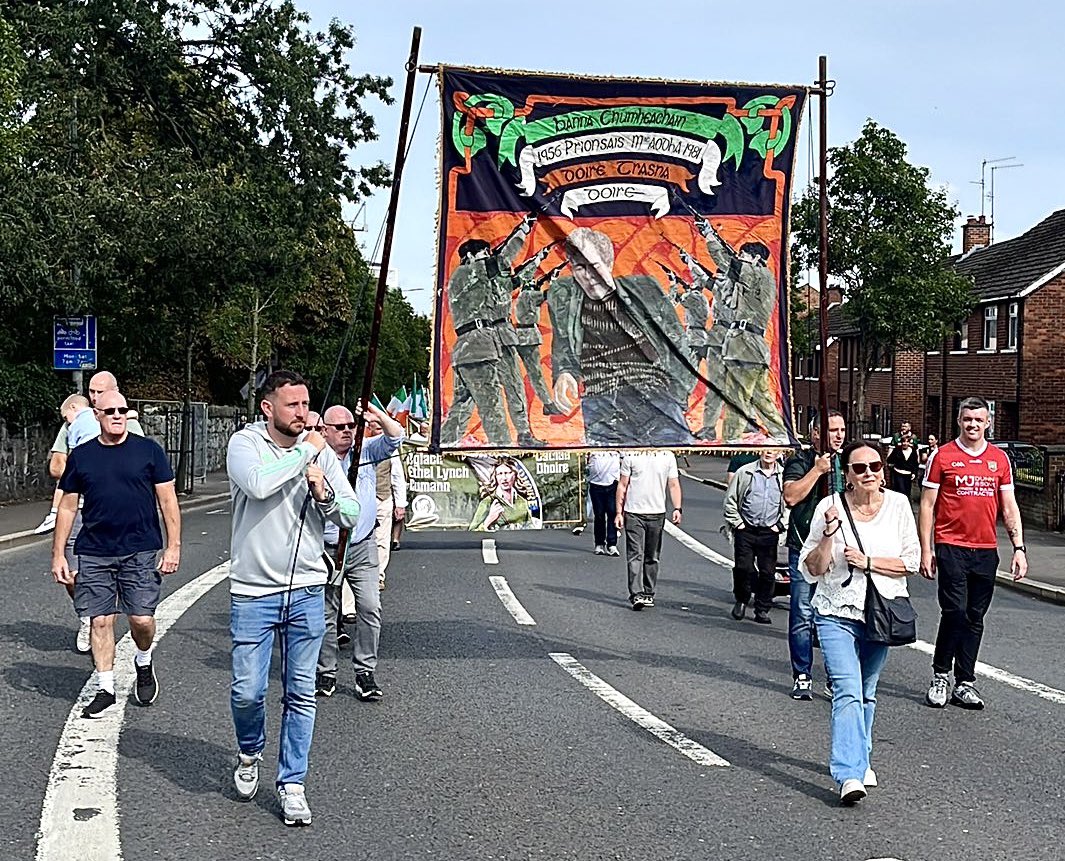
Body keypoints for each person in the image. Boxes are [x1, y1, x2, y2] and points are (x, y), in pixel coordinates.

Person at [226, 370, 359, 826]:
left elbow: (352, 515)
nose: (303, 414)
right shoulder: (245, 444)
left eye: (306, 405)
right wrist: (305, 454)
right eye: (293, 406)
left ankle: (292, 783)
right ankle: (249, 752)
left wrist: (324, 494)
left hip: (305, 591)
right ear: (268, 408)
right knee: (248, 692)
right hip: (252, 592)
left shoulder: (322, 455)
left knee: (301, 693)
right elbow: (259, 484)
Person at [799, 441, 919, 805]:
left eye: (876, 466)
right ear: (847, 475)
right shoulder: (829, 507)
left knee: (867, 691)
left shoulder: (898, 505)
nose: (870, 473)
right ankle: (848, 772)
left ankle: (861, 757)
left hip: (881, 613)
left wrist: (867, 562)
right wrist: (830, 536)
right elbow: (812, 569)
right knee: (848, 689)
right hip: (836, 611)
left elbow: (910, 562)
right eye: (860, 468)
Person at [51, 389, 181, 720]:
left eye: (123, 409)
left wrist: (173, 546)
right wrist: (58, 554)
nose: (118, 415)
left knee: (141, 619)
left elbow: (167, 501)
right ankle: (106, 687)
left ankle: (143, 659)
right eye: (110, 411)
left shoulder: (149, 451)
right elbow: (67, 506)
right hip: (95, 550)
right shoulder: (82, 456)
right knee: (101, 618)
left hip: (139, 548)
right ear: (96, 415)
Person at [919, 396, 1027, 711]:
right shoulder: (942, 456)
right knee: (954, 612)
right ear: (959, 421)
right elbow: (927, 505)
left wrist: (1019, 548)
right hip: (950, 544)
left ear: (988, 422)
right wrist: (926, 549)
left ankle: (964, 682)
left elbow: (1009, 507)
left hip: (984, 549)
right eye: (968, 419)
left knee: (975, 617)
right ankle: (940, 675)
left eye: (979, 420)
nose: (973, 425)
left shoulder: (999, 460)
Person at [548, 228, 696, 446]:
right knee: (610, 469)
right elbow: (563, 345)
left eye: (595, 266)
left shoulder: (645, 290)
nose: (590, 277)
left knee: (668, 456)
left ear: (609, 263)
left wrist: (677, 396)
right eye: (580, 268)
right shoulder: (565, 298)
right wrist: (564, 373)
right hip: (601, 400)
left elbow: (678, 346)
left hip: (653, 395)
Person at [314, 402, 404, 703]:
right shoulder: (315, 458)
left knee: (369, 606)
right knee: (326, 613)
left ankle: (365, 671)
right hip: (325, 548)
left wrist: (376, 415)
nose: (346, 432)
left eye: (350, 426)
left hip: (361, 544)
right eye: (339, 427)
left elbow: (396, 437)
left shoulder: (365, 451)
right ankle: (325, 672)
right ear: (324, 431)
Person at [440, 215, 539, 447]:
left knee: (462, 405)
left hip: (474, 346)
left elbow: (508, 283)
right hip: (476, 347)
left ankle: (443, 446)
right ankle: (504, 452)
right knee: (492, 405)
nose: (488, 257)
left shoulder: (471, 280)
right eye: (484, 254)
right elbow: (502, 260)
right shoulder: (466, 273)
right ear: (471, 257)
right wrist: (524, 230)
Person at [697, 219, 787, 443]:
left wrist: (709, 235)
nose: (740, 259)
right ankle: (780, 434)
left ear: (756, 259)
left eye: (744, 255)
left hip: (747, 346)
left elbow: (729, 265)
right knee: (760, 396)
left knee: (736, 396)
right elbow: (724, 283)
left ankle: (731, 441)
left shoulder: (760, 275)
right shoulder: (750, 283)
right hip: (742, 344)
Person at [782, 409, 847, 700]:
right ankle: (803, 675)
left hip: (840, 551)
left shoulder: (849, 462)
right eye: (832, 430)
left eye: (842, 429)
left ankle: (835, 677)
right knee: (802, 614)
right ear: (816, 433)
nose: (839, 435)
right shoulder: (800, 461)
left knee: (837, 615)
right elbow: (791, 496)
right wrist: (818, 470)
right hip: (804, 548)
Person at [34, 371, 145, 533]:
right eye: (91, 391)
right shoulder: (73, 424)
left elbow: (140, 467)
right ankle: (54, 515)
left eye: (100, 392)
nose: (95, 397)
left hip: (121, 511)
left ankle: (53, 514)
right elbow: (56, 467)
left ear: (116, 391)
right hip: (78, 511)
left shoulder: (128, 424)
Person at [723, 450, 788, 623]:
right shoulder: (745, 472)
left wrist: (780, 525)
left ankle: (762, 608)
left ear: (779, 453)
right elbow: (731, 499)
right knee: (743, 568)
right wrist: (738, 523)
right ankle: (742, 599)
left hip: (770, 531)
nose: (769, 453)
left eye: (773, 449)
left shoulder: (784, 476)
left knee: (768, 572)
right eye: (766, 448)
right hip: (746, 528)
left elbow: (790, 502)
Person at [615, 450, 682, 609]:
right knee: (635, 554)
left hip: (657, 513)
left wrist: (678, 508)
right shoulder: (631, 455)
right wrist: (619, 512)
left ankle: (648, 592)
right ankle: (636, 594)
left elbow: (673, 484)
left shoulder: (667, 456)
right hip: (633, 513)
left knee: (652, 556)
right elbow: (622, 485)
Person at [367, 411, 407, 591]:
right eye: (371, 428)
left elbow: (397, 477)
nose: (374, 432)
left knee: (382, 539)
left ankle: (379, 576)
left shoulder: (389, 450)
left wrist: (400, 504)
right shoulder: (361, 446)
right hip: (363, 500)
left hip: (383, 497)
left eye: (378, 428)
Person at [469, 457, 533, 531]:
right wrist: (489, 519)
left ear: (515, 475)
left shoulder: (522, 501)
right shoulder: (487, 503)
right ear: (495, 477)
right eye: (500, 474)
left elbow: (531, 529)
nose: (504, 478)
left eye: (508, 473)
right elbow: (472, 534)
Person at [587, 450, 621, 556]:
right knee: (599, 515)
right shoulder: (592, 443)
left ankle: (612, 544)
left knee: (612, 513)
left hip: (612, 483)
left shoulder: (616, 442)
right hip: (595, 484)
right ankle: (599, 543)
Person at [886, 432, 920, 497]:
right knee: (901, 492)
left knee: (907, 493)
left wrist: (914, 473)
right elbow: (889, 460)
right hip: (898, 473)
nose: (905, 444)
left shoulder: (913, 451)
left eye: (907, 442)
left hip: (908, 474)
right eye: (903, 442)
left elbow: (915, 463)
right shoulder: (897, 450)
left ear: (909, 442)